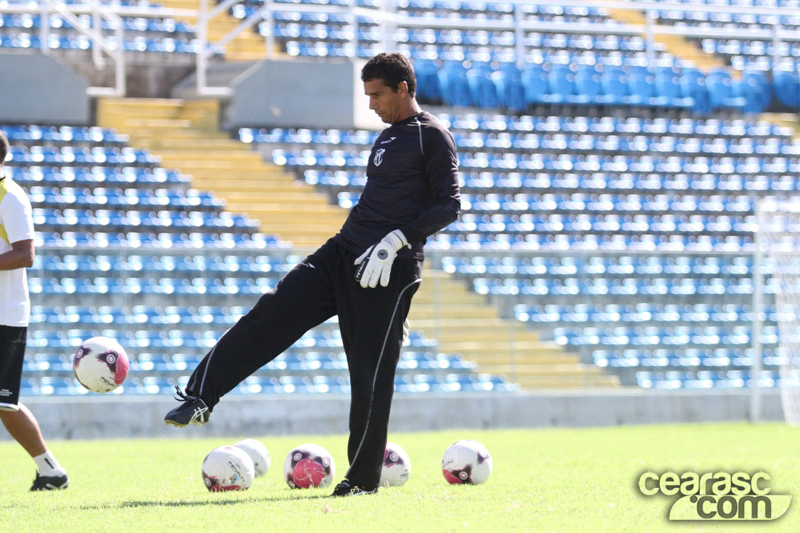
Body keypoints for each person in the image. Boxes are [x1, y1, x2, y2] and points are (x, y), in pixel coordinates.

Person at [164, 52, 460, 496]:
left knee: (370, 376)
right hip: (343, 251)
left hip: (388, 268)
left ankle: (362, 481)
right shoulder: (387, 137)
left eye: (378, 95)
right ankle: (201, 394)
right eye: (367, 95)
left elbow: (449, 205)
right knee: (273, 310)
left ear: (403, 89)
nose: (371, 104)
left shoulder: (432, 135)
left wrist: (398, 240)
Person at [0, 130, 69, 491]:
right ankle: (51, 472)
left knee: (4, 403)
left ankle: (51, 471)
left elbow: (26, 254)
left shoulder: (10, 197)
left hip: (4, 314)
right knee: (4, 403)